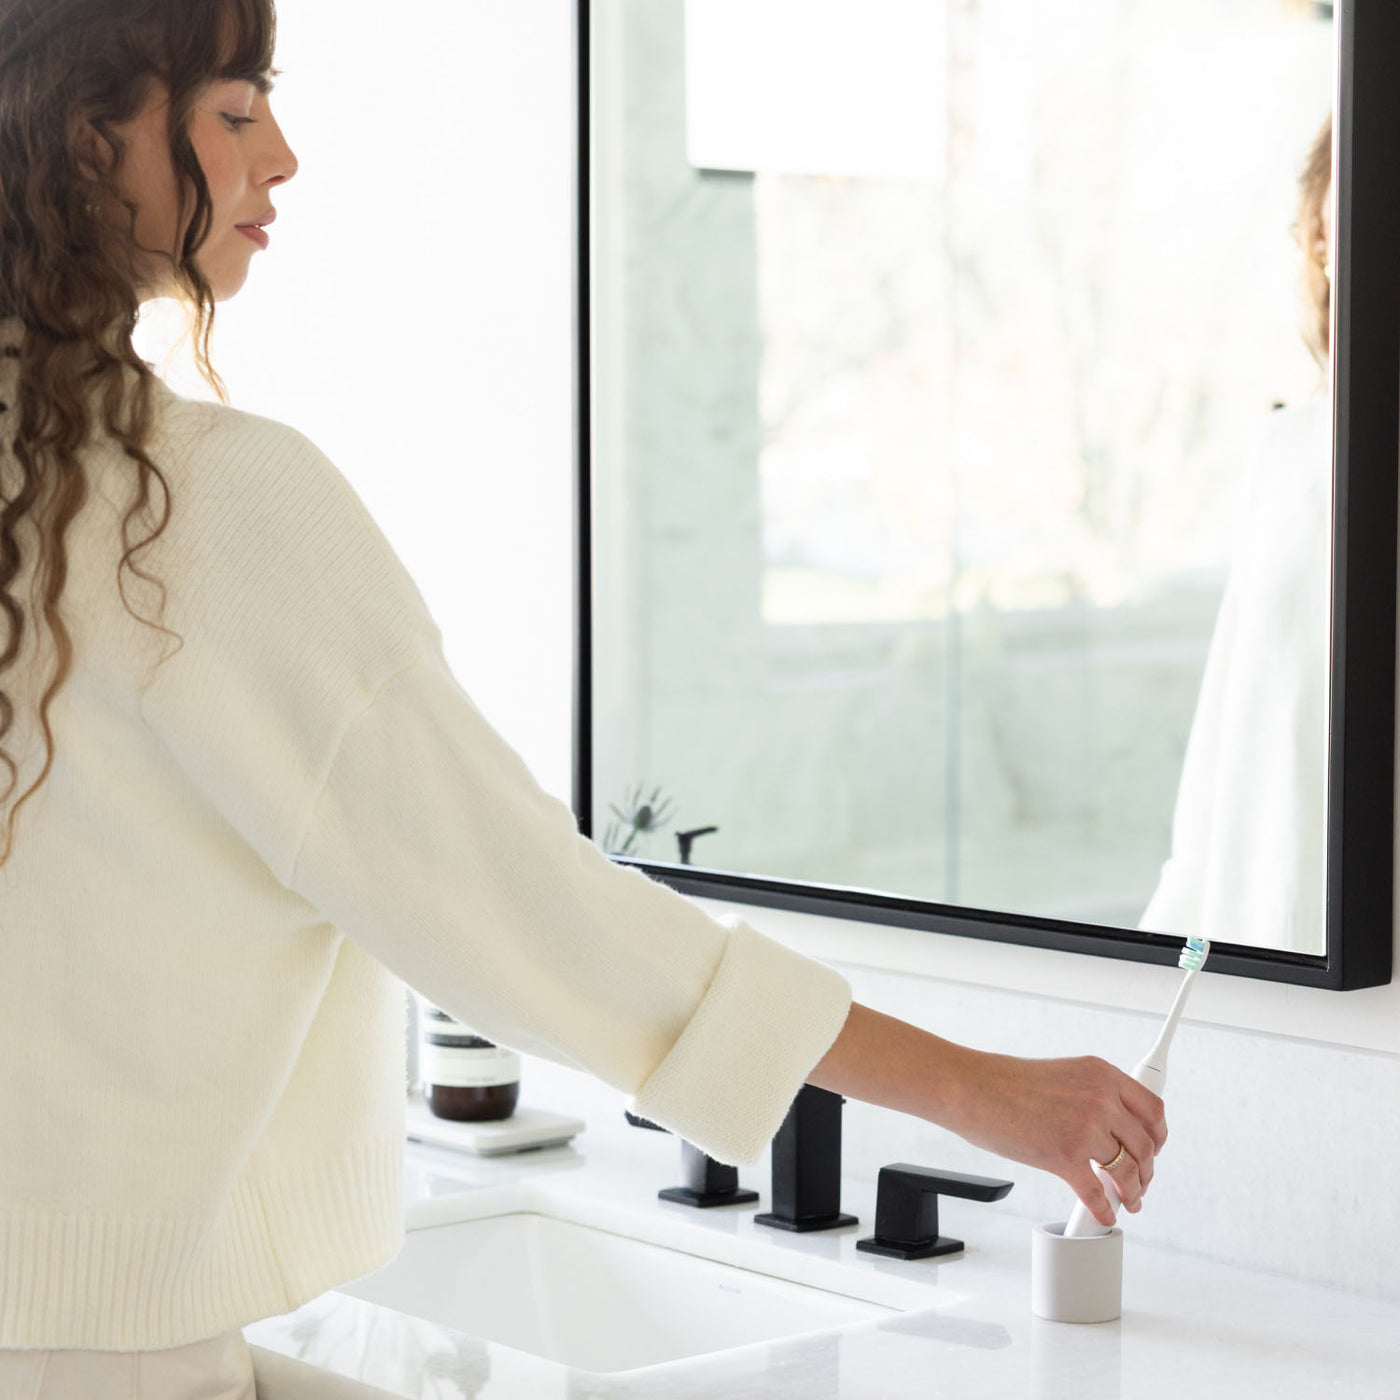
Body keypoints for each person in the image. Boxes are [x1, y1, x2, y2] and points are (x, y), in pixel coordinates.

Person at [0, 2, 1165, 1396]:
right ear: (87, 138)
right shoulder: (203, 508)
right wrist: (978, 1087)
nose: (287, 157)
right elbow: (515, 905)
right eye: (237, 111)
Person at [1140, 115, 1333, 954]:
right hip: (1278, 929)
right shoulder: (1291, 447)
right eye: (1324, 223)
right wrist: (1172, 932)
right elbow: (1231, 715)